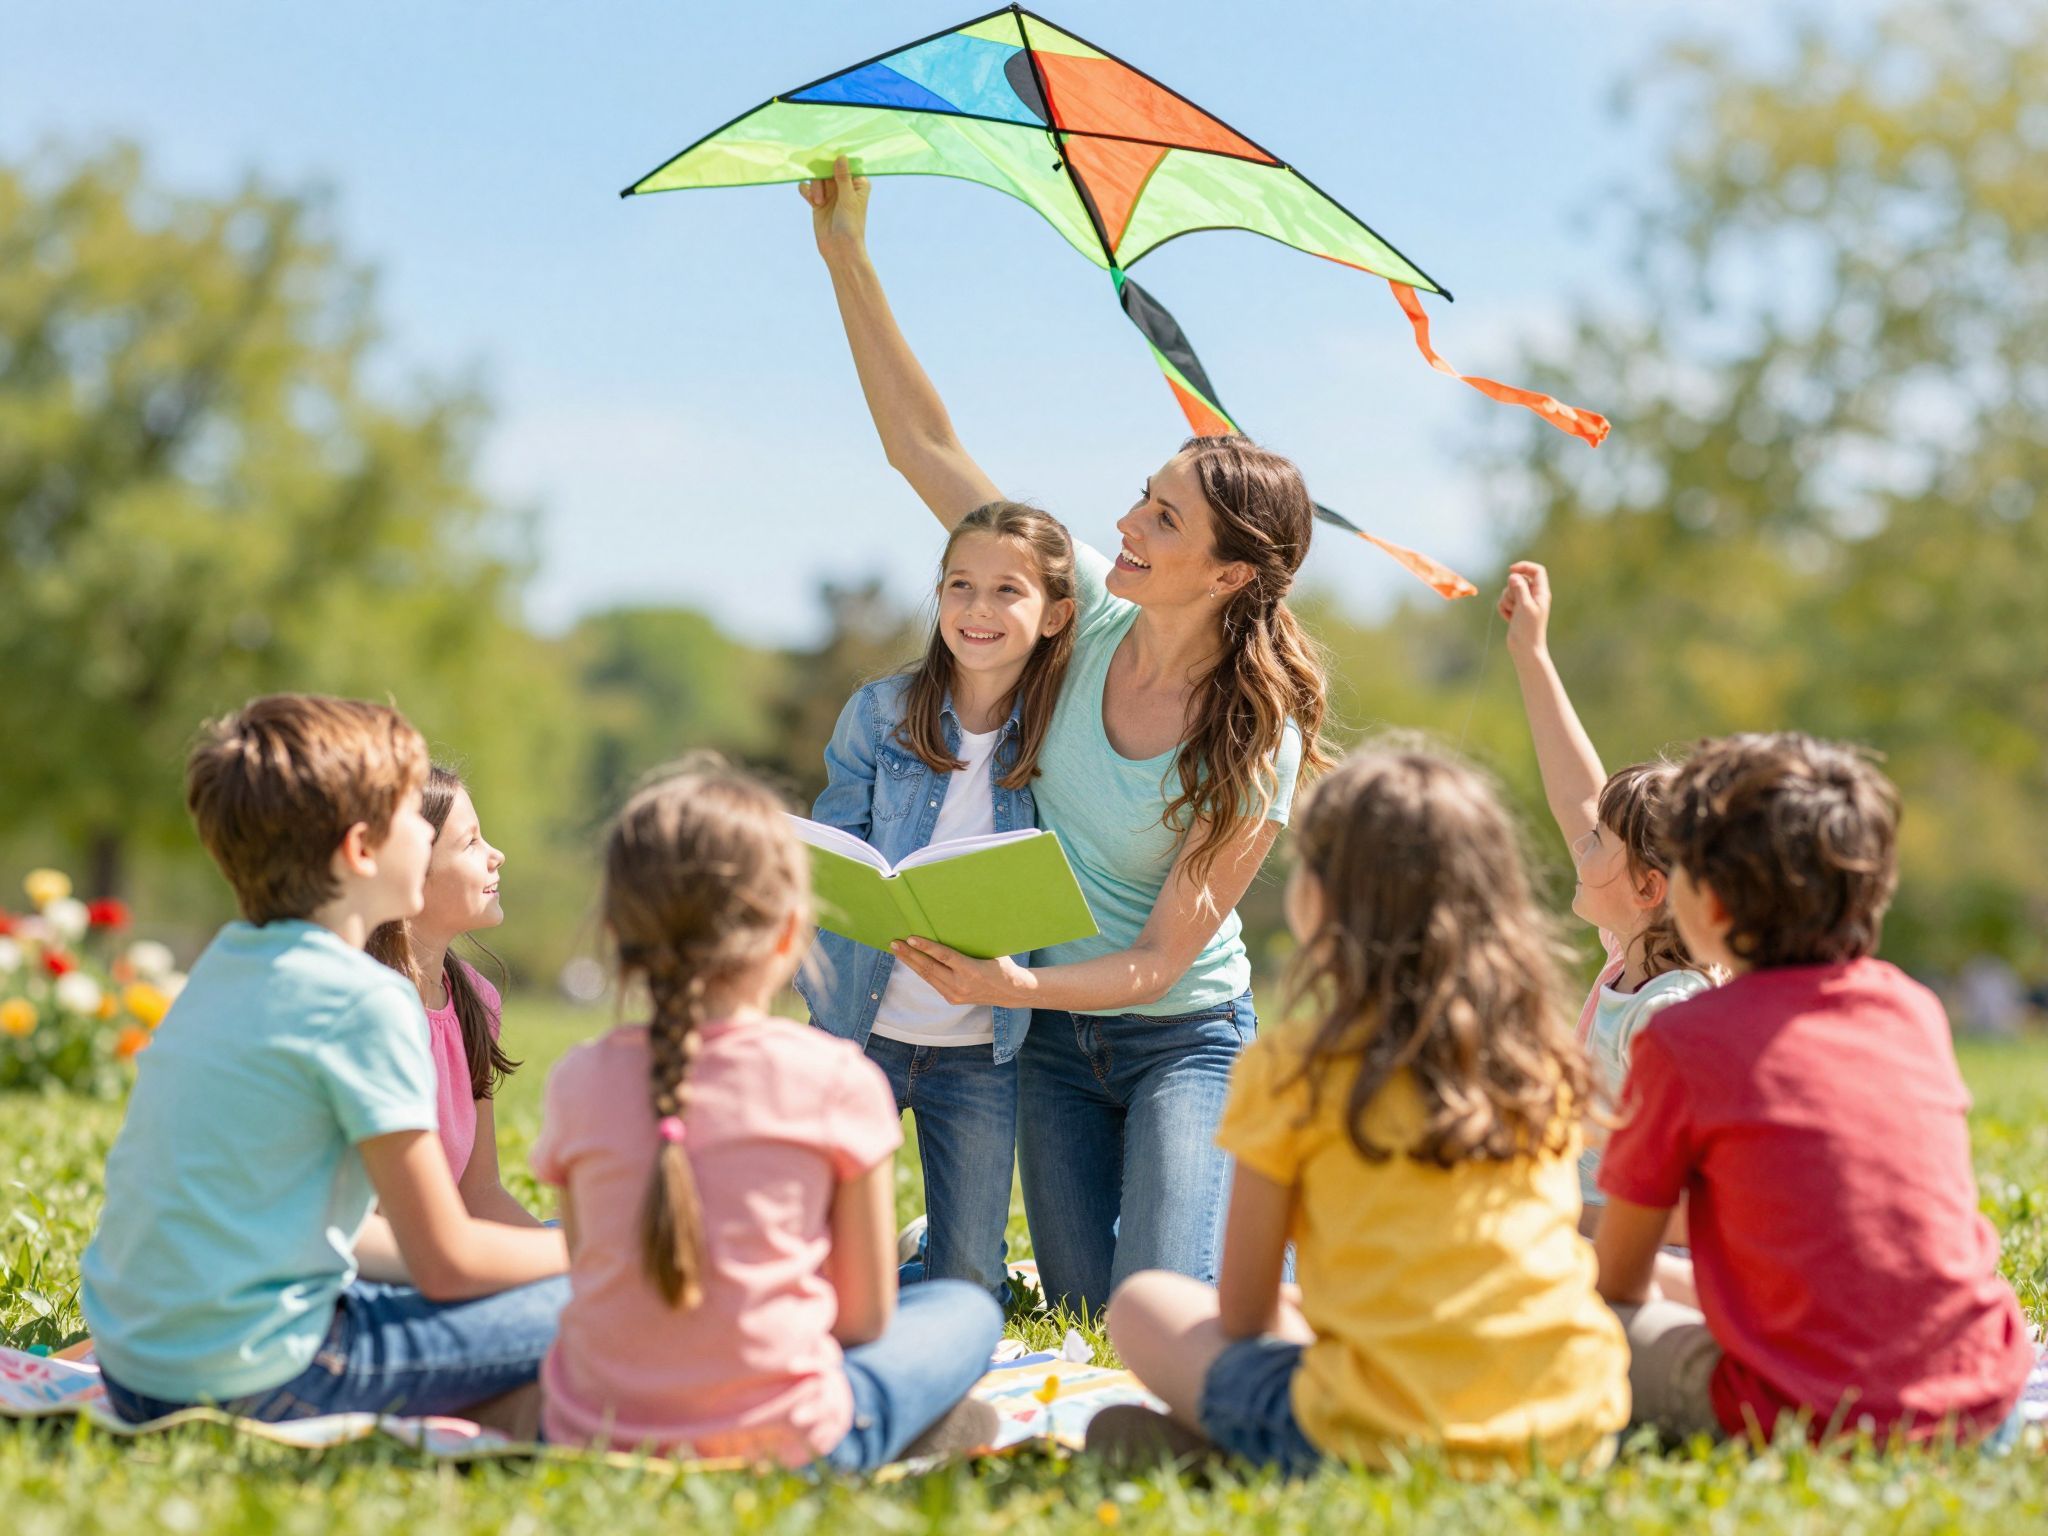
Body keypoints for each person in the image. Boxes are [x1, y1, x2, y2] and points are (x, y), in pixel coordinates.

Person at [803, 158, 1328, 1315]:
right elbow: (923, 450)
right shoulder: (1087, 615)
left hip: (1176, 1034)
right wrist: (846, 256)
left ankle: (1295, 1250)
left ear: (1230, 572)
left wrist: (1009, 987)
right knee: (1088, 1305)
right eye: (1140, 497)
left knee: (1154, 1309)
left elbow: (1152, 963)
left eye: (1160, 517)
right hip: (1039, 1036)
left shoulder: (1252, 740)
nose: (1123, 523)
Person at [1097, 748, 1630, 1475]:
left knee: (1143, 1306)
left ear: (1321, 899)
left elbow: (1245, 1317)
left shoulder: (1295, 1069)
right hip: (1571, 1429)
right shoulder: (1539, 1060)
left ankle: (1237, 1446)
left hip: (1376, 1437)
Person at [79, 694, 567, 1431]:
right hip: (264, 1374)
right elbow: (447, 1262)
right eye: (412, 812)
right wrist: (599, 1247)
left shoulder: (223, 966)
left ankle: (518, 1410)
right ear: (362, 849)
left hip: (137, 1369)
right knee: (604, 1300)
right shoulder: (364, 1001)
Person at [531, 762, 1003, 1467]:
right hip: (789, 1439)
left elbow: (590, 1277)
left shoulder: (578, 1079)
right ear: (790, 934)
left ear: (619, 929)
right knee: (968, 1311)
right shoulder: (834, 1080)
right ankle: (900, 1425)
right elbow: (865, 1318)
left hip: (593, 1427)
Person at [1596, 732, 2034, 1447]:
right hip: (1983, 1401)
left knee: (1583, 1318)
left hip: (1804, 1414)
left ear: (1709, 904)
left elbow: (1619, 1275)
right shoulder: (1912, 1009)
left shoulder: (1684, 1040)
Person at [798, 502, 1076, 1299]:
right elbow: (832, 845)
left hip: (978, 1050)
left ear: (1056, 614)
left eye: (1006, 591)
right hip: (858, 1025)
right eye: (960, 585)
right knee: (819, 1267)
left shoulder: (1059, 731)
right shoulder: (882, 712)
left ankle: (918, 1262)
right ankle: (870, 1271)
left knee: (965, 1283)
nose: (978, 609)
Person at [1498, 561, 1713, 1256]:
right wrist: (1531, 655)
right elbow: (1577, 795)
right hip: (1596, 1237)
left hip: (1642, 1265)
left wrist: (1558, 1226)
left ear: (1649, 889)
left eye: (1597, 843)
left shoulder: (1668, 1015)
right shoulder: (1635, 958)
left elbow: (1685, 1202)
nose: (1578, 840)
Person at [367, 764, 539, 1226]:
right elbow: (388, 1227)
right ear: (412, 870)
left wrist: (579, 1259)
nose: (496, 854)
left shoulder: (474, 1002)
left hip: (449, 1252)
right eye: (471, 843)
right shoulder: (371, 1015)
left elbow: (479, 1195)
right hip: (388, 1272)